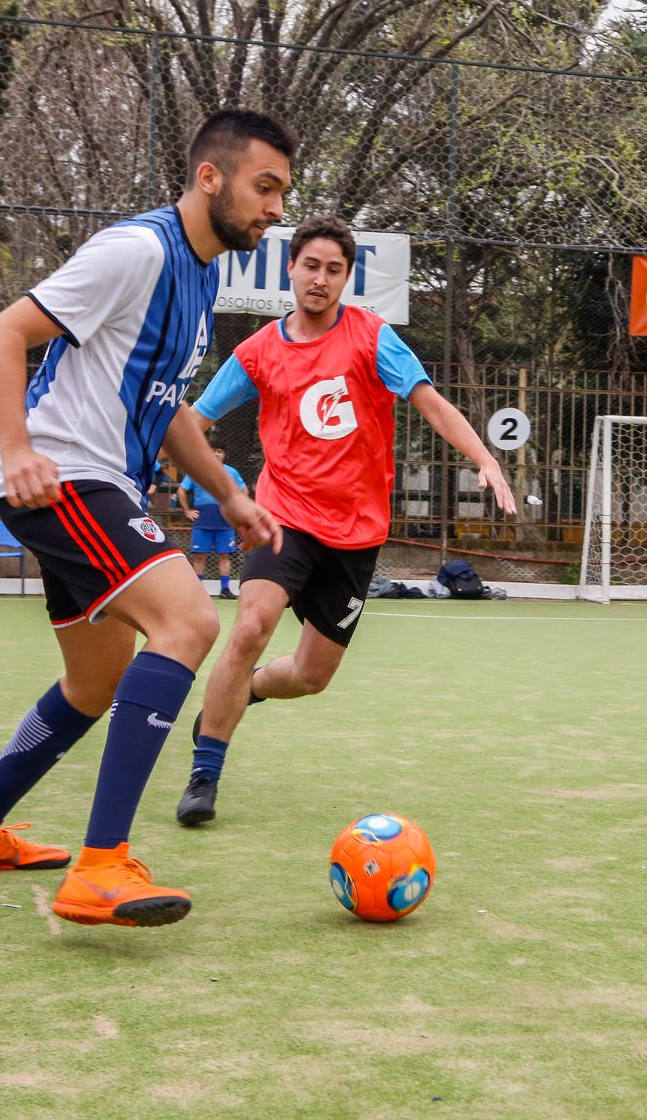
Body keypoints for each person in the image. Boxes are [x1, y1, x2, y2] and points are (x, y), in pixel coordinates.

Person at [0, 110, 295, 929]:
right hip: (68, 478)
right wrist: (17, 448)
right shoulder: (139, 250)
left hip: (98, 483)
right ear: (211, 178)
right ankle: (100, 866)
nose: (276, 210)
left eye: (282, 193)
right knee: (190, 621)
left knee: (94, 682)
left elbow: (160, 407)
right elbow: (4, 332)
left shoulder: (202, 278)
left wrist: (229, 491)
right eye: (264, 187)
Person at [172, 214, 514, 826]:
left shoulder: (373, 338)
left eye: (335, 270)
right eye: (311, 266)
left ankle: (243, 690)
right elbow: (193, 423)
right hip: (284, 518)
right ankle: (205, 771)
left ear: (347, 278)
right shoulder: (257, 353)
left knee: (309, 675)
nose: (321, 279)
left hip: (355, 534)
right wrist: (184, 476)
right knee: (251, 625)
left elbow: (431, 403)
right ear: (291, 269)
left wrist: (484, 459)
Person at [176, 444, 246, 599]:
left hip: (225, 521)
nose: (215, 454)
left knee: (224, 555)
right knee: (200, 555)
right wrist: (187, 510)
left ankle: (225, 589)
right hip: (203, 520)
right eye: (212, 451)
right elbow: (181, 490)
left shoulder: (232, 472)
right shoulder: (196, 470)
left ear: (224, 454)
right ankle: (197, 590)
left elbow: (244, 490)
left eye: (219, 451)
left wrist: (237, 509)